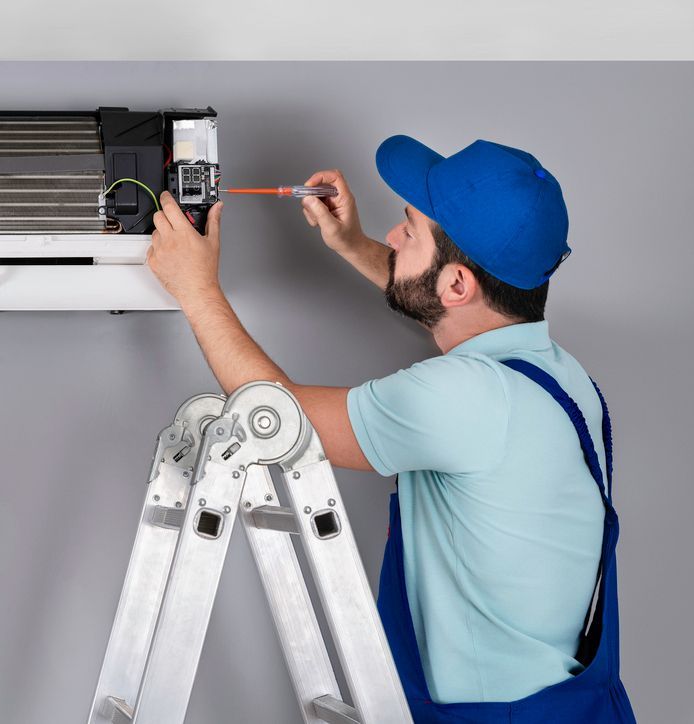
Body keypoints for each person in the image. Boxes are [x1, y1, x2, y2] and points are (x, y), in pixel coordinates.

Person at [146, 135, 635, 722]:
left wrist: (196, 288)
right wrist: (352, 245)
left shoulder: (464, 397)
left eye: (410, 227)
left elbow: (277, 418)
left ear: (457, 283)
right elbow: (450, 299)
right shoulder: (558, 378)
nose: (395, 236)